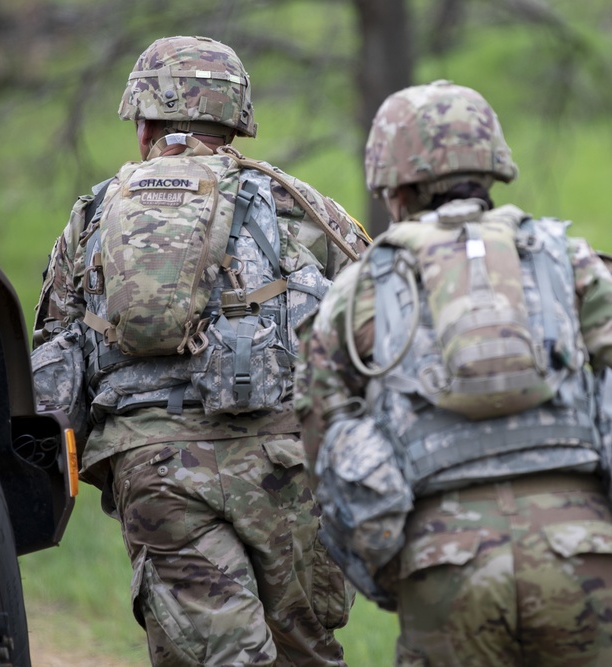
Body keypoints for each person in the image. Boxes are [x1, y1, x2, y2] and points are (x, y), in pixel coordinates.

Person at [295, 80, 612, 666]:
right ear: (492, 166)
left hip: (442, 560)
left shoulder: (364, 286)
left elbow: (319, 431)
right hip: (583, 550)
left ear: (393, 185)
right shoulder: (563, 257)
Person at [33, 35, 367, 667]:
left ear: (144, 125)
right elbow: (375, 315)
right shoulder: (298, 204)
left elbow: (55, 349)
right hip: (282, 466)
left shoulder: (96, 213)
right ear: (233, 121)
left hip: (155, 467)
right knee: (307, 652)